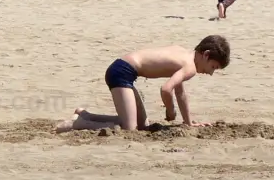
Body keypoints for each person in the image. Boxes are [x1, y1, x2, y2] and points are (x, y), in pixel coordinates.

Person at [55, 35, 230, 132]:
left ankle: (88, 116)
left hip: (125, 71)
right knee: (129, 129)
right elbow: (166, 89)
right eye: (213, 67)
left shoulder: (184, 55)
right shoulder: (190, 66)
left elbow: (180, 93)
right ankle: (78, 124)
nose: (210, 72)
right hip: (121, 72)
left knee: (142, 124)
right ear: (206, 55)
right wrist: (170, 111)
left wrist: (188, 122)